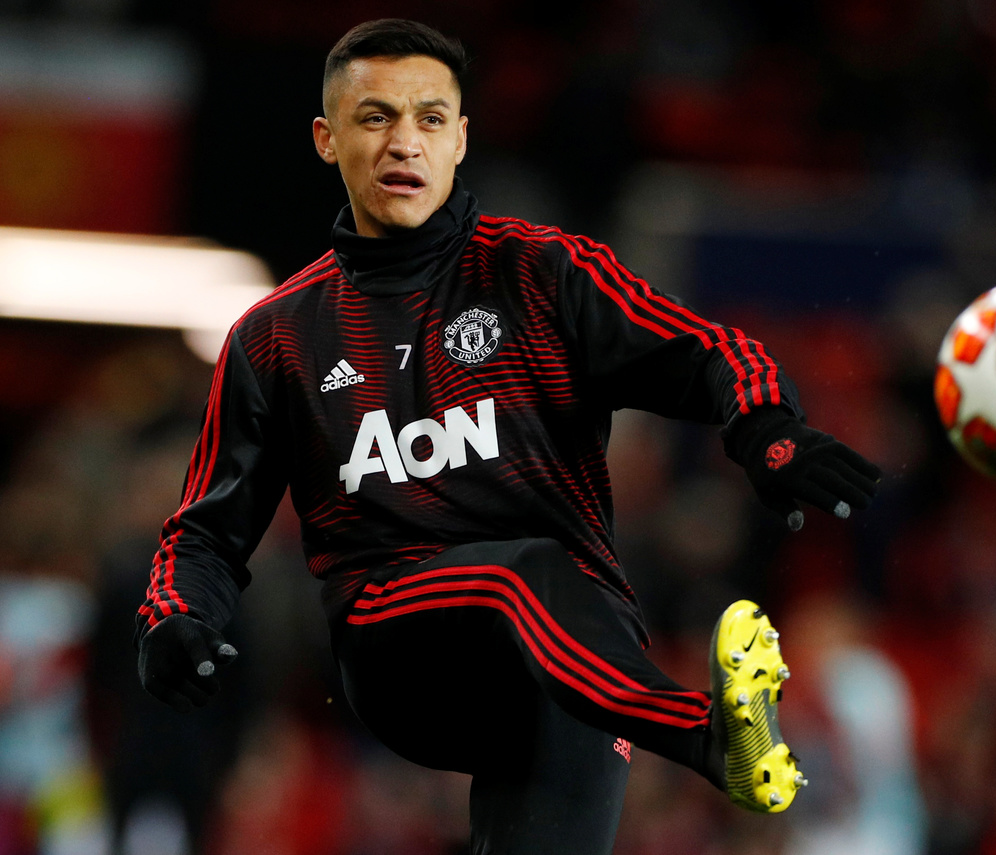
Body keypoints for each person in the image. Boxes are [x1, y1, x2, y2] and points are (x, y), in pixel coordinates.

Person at [134, 19, 881, 854]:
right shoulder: (276, 337)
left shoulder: (544, 272)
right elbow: (205, 531)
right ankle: (707, 736)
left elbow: (709, 352)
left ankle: (690, 728)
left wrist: (769, 428)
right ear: (327, 138)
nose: (404, 142)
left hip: (581, 666)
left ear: (459, 139)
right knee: (518, 576)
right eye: (376, 117)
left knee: (551, 604)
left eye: (428, 118)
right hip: (402, 650)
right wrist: (177, 614)